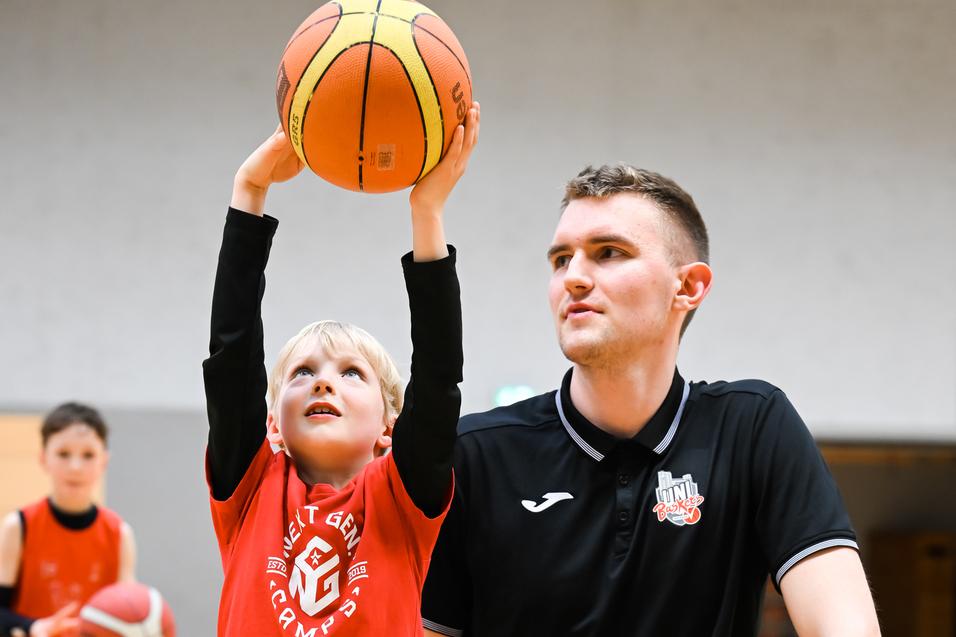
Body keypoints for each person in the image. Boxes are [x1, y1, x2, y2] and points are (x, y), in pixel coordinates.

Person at [421, 165, 880, 636]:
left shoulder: (753, 426)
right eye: (561, 259)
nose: (574, 277)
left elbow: (845, 626)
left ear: (687, 287)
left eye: (608, 253)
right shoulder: (477, 452)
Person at [204, 103, 479, 636]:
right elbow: (231, 358)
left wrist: (427, 212)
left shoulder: (401, 498)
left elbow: (439, 374)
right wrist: (249, 192)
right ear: (271, 423)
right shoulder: (251, 487)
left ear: (389, 428)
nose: (323, 380)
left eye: (352, 373)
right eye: (302, 373)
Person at [0, 402, 137, 637]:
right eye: (63, 454)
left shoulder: (119, 533)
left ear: (103, 461)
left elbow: (126, 614)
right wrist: (32, 627)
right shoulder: (18, 526)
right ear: (44, 458)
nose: (75, 467)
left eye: (88, 455)